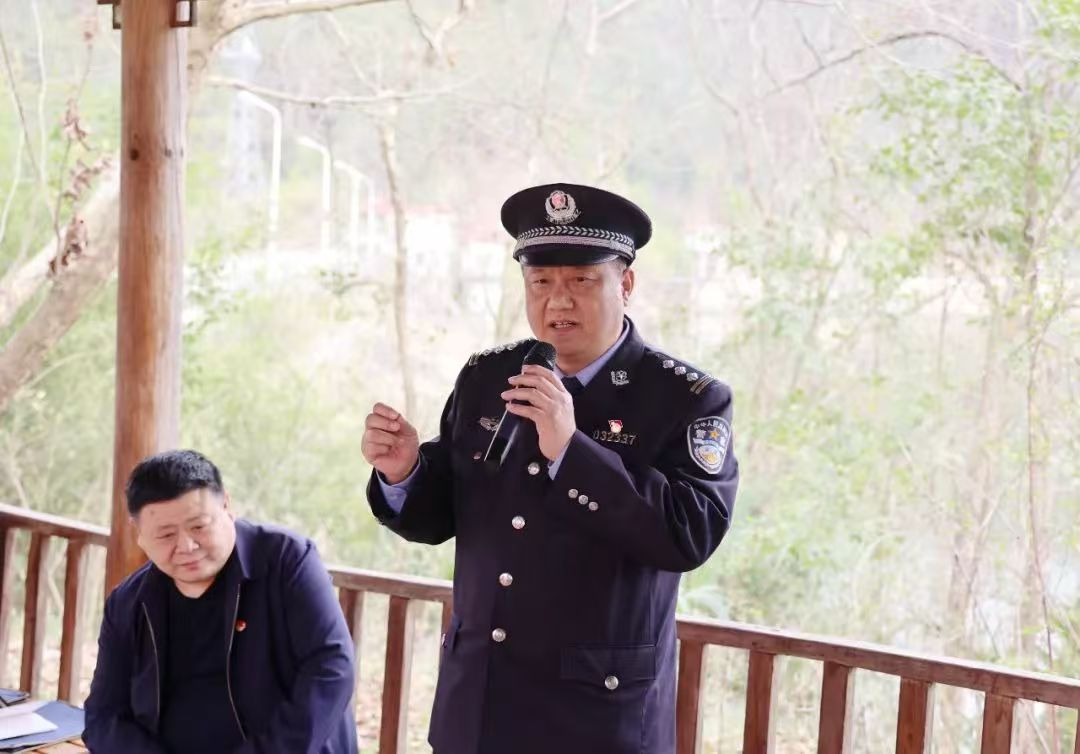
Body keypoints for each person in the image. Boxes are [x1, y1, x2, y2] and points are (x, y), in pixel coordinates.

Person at [362, 183, 739, 754]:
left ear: (626, 285)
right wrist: (404, 471)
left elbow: (689, 534)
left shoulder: (685, 397)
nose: (558, 302)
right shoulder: (489, 376)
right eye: (541, 283)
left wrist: (571, 449)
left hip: (596, 720)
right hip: (479, 708)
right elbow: (443, 515)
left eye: (581, 281)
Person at [84, 449, 358, 754]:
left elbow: (331, 667)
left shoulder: (287, 559)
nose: (187, 546)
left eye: (199, 526)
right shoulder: (128, 602)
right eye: (166, 535)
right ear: (140, 535)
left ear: (227, 505)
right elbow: (102, 717)